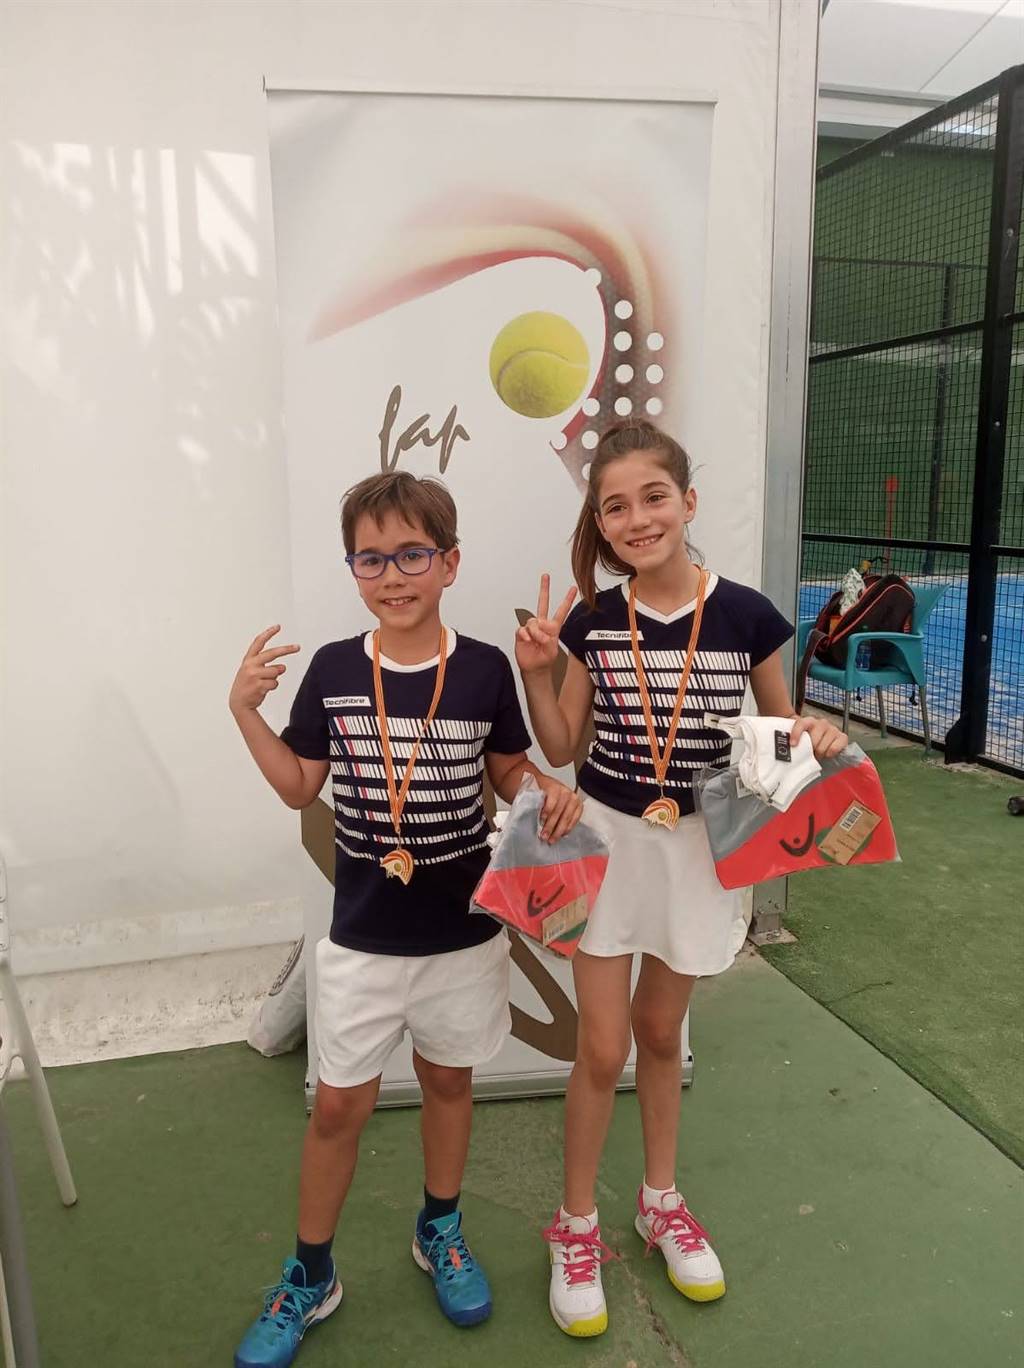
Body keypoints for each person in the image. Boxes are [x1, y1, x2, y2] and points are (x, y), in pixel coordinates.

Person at [229, 471, 582, 1367]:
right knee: (338, 1107)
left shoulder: (484, 668)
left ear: (449, 563)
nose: (393, 575)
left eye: (413, 554)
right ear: (353, 569)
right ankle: (311, 1274)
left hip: (464, 935)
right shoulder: (335, 670)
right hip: (363, 937)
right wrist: (243, 712)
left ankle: (440, 1230)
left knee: (450, 1085)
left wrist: (541, 786)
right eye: (372, 558)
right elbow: (299, 786)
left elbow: (507, 769)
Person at [514, 420, 847, 1338]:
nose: (637, 518)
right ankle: (575, 1225)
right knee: (601, 1047)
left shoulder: (747, 615)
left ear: (688, 502)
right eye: (615, 507)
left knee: (662, 1032)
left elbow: (781, 733)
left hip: (699, 850)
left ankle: (660, 1202)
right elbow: (563, 745)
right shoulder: (592, 620)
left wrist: (816, 735)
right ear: (601, 523)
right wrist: (537, 674)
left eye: (654, 497)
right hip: (606, 843)